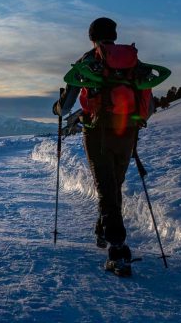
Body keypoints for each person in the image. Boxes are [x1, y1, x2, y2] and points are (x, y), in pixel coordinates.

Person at [53, 17, 146, 276]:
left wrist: (57, 108)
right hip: (127, 132)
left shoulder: (89, 61)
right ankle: (102, 231)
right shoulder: (131, 61)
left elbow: (68, 103)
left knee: (106, 186)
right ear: (114, 36)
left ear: (91, 36)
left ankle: (118, 250)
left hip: (98, 132)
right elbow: (147, 103)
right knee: (113, 184)